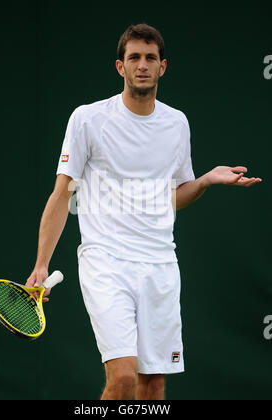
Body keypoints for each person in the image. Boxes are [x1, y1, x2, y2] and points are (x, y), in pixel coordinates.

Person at [25, 23, 262, 400]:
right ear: (120, 67)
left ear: (162, 67)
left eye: (150, 58)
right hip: (105, 260)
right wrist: (41, 264)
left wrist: (203, 181)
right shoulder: (87, 119)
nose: (142, 65)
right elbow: (60, 195)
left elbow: (173, 197)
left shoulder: (176, 123)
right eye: (134, 57)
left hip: (161, 265)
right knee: (122, 378)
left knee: (153, 386)